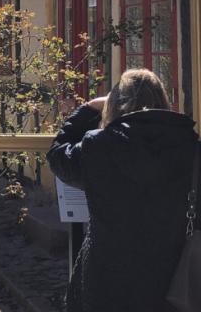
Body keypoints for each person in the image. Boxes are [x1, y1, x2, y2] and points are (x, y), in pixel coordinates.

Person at [47, 68, 198, 312]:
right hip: (173, 283)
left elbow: (58, 156)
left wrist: (87, 110)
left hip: (108, 280)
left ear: (116, 104)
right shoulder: (191, 148)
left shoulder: (99, 146)